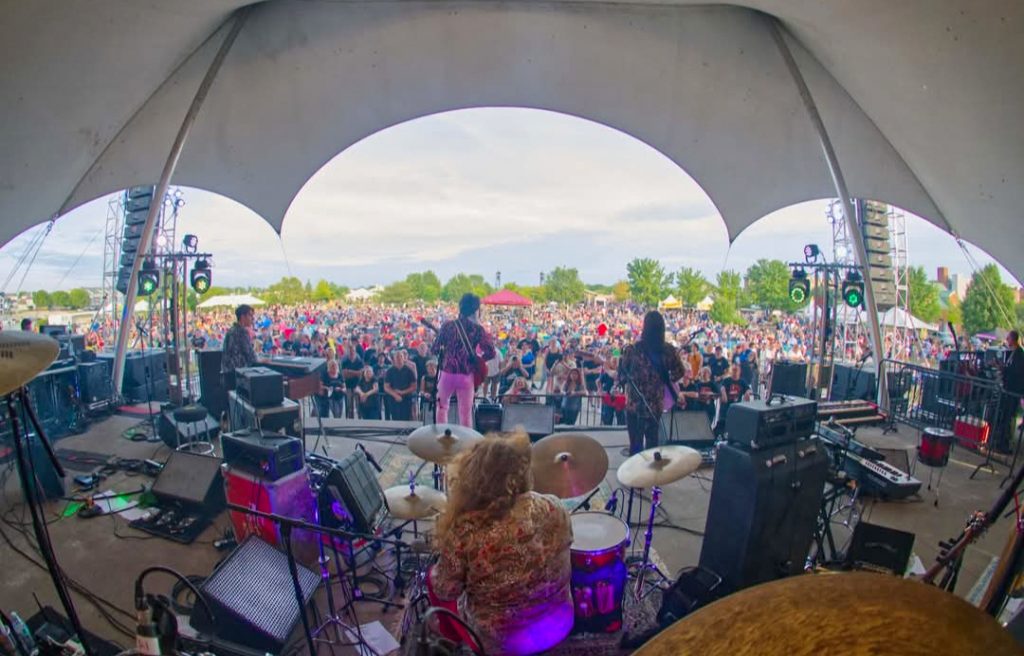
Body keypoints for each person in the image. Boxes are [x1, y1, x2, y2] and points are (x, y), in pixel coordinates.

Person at [431, 433, 574, 655]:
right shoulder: (554, 506)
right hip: (558, 623)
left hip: (502, 642)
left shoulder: (465, 531)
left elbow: (446, 591)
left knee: (434, 580)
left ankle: (454, 645)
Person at [618, 311, 686, 454]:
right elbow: (680, 371)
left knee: (635, 446)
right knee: (652, 445)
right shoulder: (668, 350)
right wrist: (664, 379)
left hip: (635, 405)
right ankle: (650, 474)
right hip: (655, 405)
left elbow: (623, 375)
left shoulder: (634, 350)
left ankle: (635, 471)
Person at [432, 293, 496, 427]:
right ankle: (466, 443)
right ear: (475, 310)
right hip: (466, 375)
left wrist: (446, 352)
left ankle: (441, 437)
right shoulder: (478, 329)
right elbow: (491, 352)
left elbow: (435, 349)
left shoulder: (448, 326)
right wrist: (477, 359)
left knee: (442, 408)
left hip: (447, 374)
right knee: (465, 414)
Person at [994, 330, 1024, 453]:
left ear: (1013, 339)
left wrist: (1003, 368)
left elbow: (1016, 373)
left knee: (1007, 418)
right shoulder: (1014, 353)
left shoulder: (1019, 355)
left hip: (1013, 391)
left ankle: (1003, 443)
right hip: (1009, 390)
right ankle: (1001, 442)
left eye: (1008, 338)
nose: (1007, 340)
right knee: (1005, 417)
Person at [220, 304, 258, 390]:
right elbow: (249, 354)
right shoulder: (241, 331)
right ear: (242, 316)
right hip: (237, 374)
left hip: (228, 373)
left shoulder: (231, 330)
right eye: (250, 315)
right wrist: (260, 360)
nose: (252, 318)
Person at [384, 349, 417, 420]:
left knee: (406, 419)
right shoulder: (390, 371)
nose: (399, 359)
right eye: (397, 357)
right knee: (395, 419)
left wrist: (402, 392)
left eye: (400, 356)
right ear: (394, 359)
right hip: (393, 400)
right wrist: (395, 395)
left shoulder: (409, 371)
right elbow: (386, 387)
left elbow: (414, 386)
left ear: (403, 358)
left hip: (406, 399)